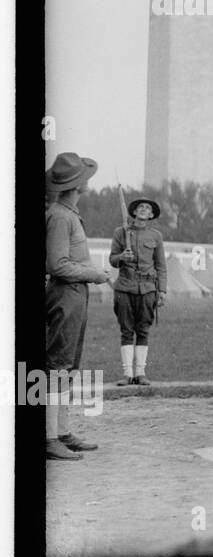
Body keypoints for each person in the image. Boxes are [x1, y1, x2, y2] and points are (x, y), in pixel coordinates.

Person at [44, 152, 112, 460]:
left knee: (67, 366)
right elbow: (57, 264)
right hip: (65, 294)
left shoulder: (68, 213)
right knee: (57, 366)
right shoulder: (60, 216)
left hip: (75, 293)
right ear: (76, 186)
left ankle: (61, 432)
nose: (88, 182)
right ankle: (49, 438)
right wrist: (95, 274)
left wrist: (90, 274)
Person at [109, 197, 167, 386]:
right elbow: (112, 260)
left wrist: (162, 291)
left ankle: (140, 373)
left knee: (143, 331)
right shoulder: (120, 232)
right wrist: (121, 257)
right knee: (126, 331)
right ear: (133, 212)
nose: (143, 209)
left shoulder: (156, 236)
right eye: (140, 207)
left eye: (147, 208)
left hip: (147, 289)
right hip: (124, 288)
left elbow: (161, 265)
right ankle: (127, 374)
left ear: (151, 215)